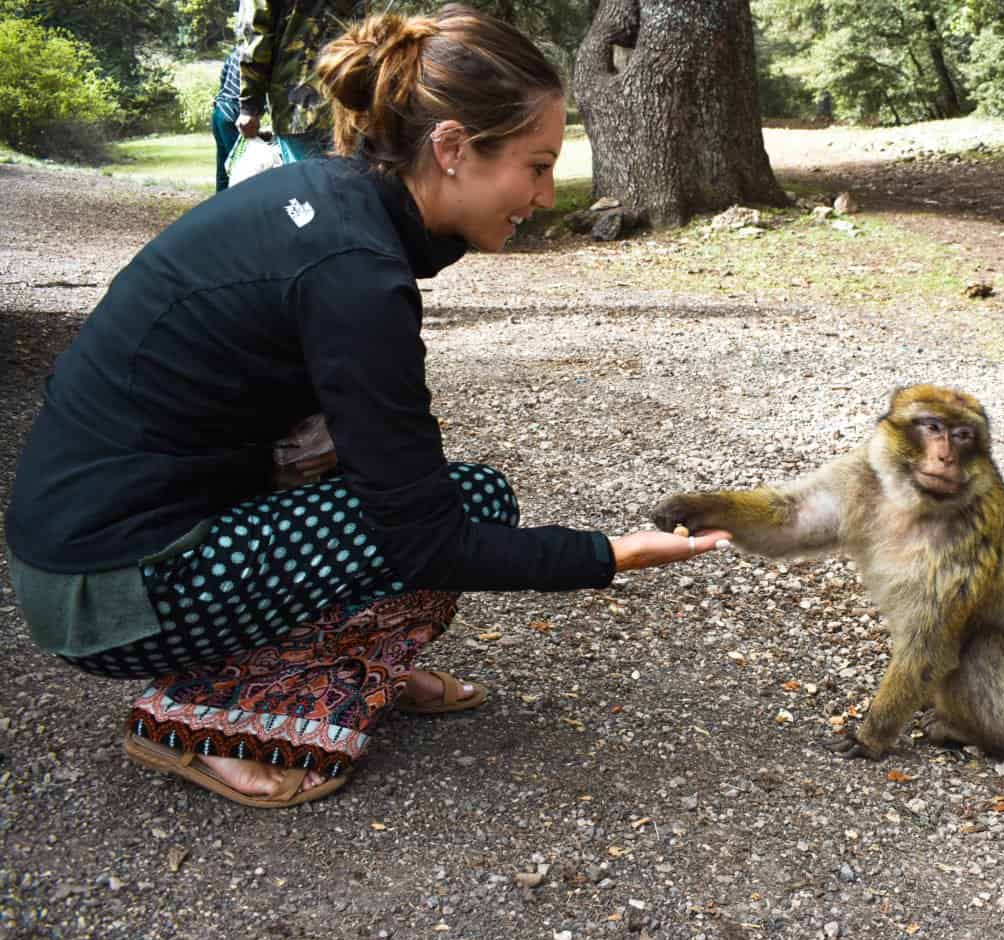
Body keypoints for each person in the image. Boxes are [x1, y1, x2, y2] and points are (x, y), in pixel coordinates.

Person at [3, 5, 731, 809]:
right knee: (464, 512)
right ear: (452, 148)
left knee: (447, 498)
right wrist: (611, 554)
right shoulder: (354, 273)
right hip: (106, 586)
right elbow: (425, 541)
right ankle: (216, 714)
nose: (548, 194)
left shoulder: (331, 202)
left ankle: (351, 658)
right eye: (537, 164)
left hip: (103, 540)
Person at [235, 0, 367, 157]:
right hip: (354, 104)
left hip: (300, 109)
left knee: (307, 179)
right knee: (355, 179)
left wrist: (250, 106)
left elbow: (256, 34)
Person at [211, 46, 242, 192]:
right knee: (239, 167)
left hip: (219, 110)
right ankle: (239, 208)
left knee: (223, 167)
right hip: (232, 113)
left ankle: (219, 206)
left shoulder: (236, 51)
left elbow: (222, 79)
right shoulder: (256, 54)